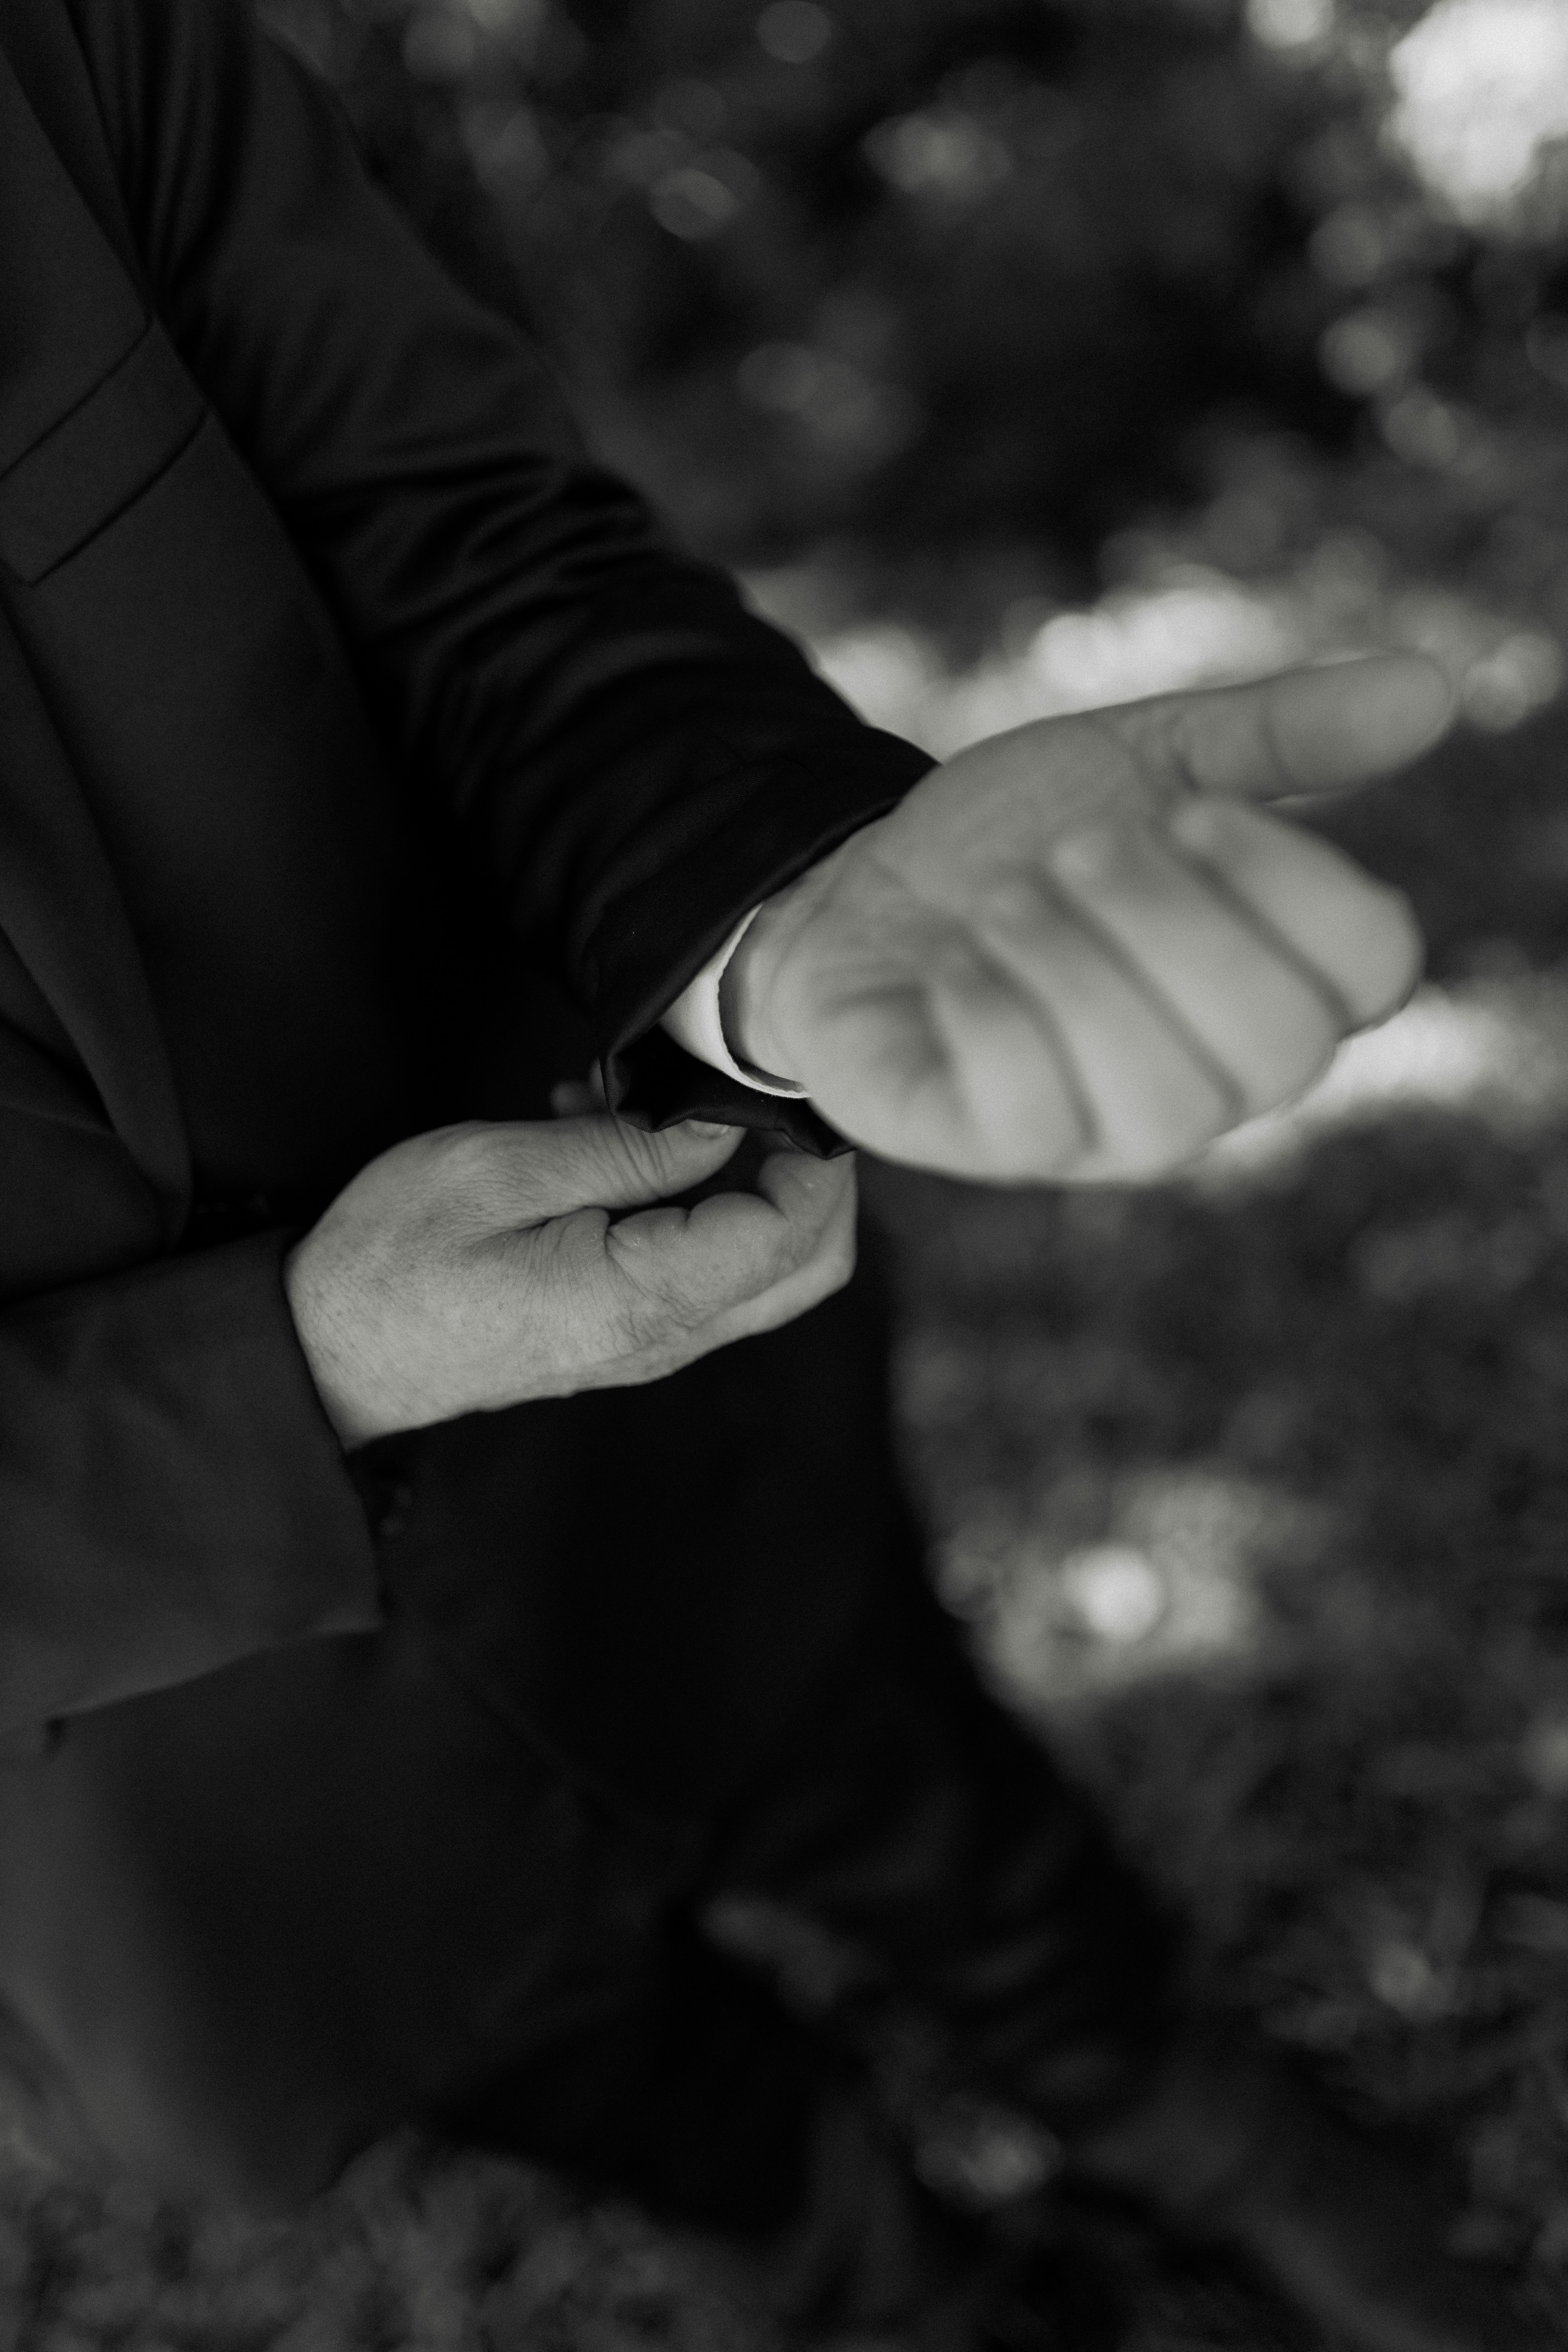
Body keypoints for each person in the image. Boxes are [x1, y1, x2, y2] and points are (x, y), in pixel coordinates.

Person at [0, 0, 1528, 2343]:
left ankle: (1194, 2115)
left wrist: (768, 925)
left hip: (654, 1320)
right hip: (115, 1747)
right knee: (589, 2075)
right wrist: (282, 1372)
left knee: (905, 1777)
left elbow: (453, 525)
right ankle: (900, 2282)